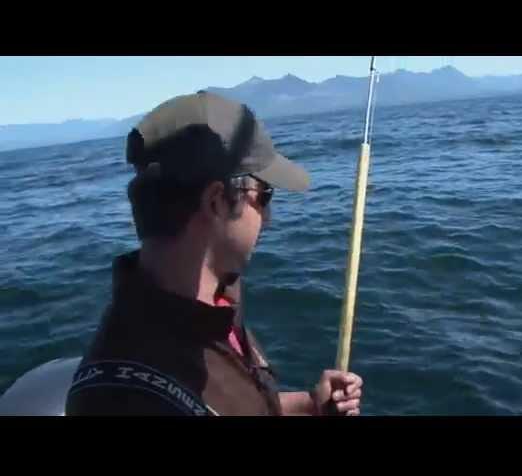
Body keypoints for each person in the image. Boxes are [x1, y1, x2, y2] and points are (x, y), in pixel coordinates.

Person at [65, 91, 363, 416]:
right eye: (264, 196)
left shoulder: (213, 299)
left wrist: (309, 404)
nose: (269, 217)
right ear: (217, 202)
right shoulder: (131, 402)